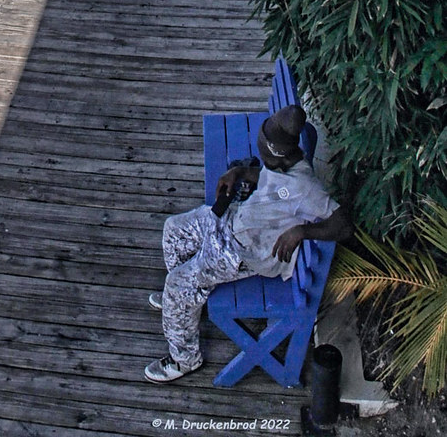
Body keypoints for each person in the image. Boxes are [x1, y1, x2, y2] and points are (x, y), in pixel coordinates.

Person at [144, 105, 353, 383]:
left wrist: (302, 231)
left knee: (177, 285)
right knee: (173, 230)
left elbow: (344, 225)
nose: (262, 159)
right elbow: (270, 180)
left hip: (244, 252)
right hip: (235, 221)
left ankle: (185, 358)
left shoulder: (306, 187)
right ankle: (187, 299)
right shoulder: (282, 162)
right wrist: (241, 172)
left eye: (265, 155)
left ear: (279, 154)